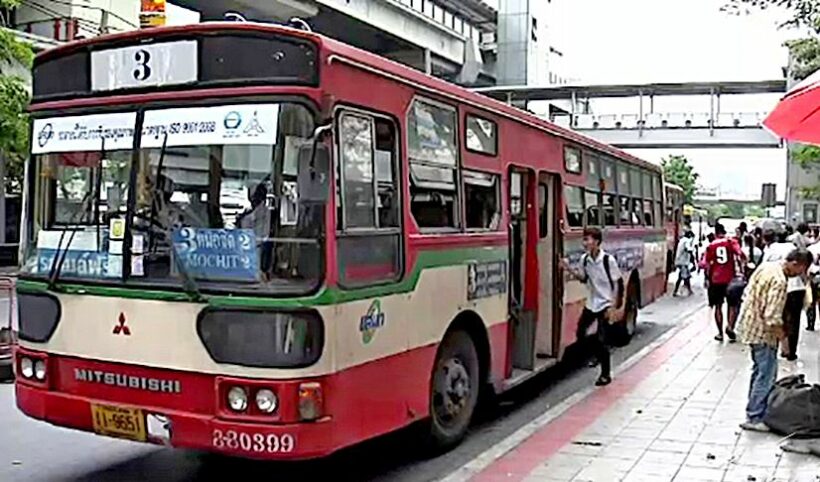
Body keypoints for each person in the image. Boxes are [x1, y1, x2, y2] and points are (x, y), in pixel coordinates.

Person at [738, 248, 813, 432]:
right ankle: (755, 417)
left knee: (759, 371)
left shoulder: (767, 267)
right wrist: (784, 341)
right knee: (766, 374)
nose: (800, 275)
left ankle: (753, 410)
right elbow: (772, 317)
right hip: (764, 334)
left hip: (750, 326)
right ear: (795, 264)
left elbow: (748, 293)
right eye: (801, 270)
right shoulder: (780, 281)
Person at [561, 227, 625, 387]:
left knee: (602, 339)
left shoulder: (607, 260)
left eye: (587, 239)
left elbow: (619, 283)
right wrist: (568, 269)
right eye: (584, 239)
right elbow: (583, 278)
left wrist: (615, 306)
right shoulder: (585, 259)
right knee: (581, 332)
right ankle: (596, 354)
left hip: (605, 303)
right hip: (592, 303)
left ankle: (605, 374)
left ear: (596, 242)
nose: (585, 243)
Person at [705, 223, 745, 342]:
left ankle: (720, 333)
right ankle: (730, 327)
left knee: (718, 306)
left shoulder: (711, 245)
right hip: (730, 279)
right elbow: (740, 254)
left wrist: (707, 278)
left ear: (715, 233)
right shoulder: (730, 242)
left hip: (715, 279)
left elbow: (706, 264)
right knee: (732, 305)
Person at [673, 231, 695, 297]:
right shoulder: (687, 241)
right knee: (685, 276)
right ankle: (688, 290)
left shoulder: (682, 240)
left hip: (680, 261)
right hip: (683, 262)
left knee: (682, 276)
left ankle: (678, 290)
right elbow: (688, 249)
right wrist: (693, 258)